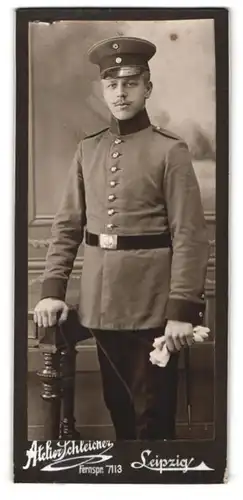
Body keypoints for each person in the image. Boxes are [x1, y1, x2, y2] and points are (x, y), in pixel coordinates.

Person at [34, 36, 209, 440]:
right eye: (112, 84)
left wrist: (182, 309)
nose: (121, 92)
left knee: (153, 417)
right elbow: (66, 227)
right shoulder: (88, 150)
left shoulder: (170, 151)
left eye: (130, 83)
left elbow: (190, 236)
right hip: (101, 302)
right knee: (120, 411)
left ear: (147, 88)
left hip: (153, 306)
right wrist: (52, 290)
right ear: (102, 89)